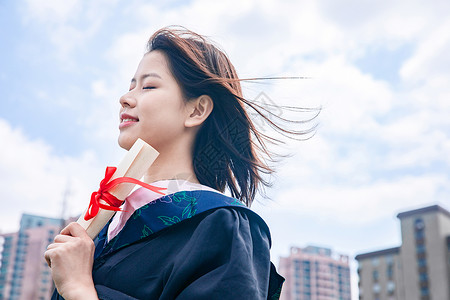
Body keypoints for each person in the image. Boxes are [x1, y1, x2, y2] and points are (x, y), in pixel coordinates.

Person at [45, 27, 306, 299]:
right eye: (131, 85)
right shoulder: (104, 223)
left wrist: (78, 289)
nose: (125, 98)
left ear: (196, 110)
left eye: (148, 86)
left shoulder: (221, 223)